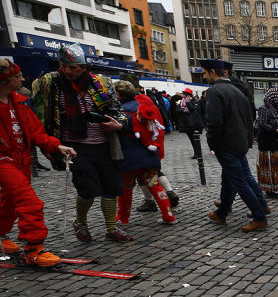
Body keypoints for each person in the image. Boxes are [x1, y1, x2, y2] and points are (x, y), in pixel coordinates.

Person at [32, 44, 131, 242]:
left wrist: (119, 126)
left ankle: (111, 228)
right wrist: (51, 146)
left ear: (84, 67)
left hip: (105, 144)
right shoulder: (51, 84)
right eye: (65, 66)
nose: (69, 70)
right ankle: (80, 222)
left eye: (74, 67)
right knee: (88, 190)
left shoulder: (101, 83)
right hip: (74, 146)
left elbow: (120, 112)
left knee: (111, 187)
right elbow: (42, 116)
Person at [0, 60, 77, 265]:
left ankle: (0, 236)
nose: (23, 79)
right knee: (29, 202)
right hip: (4, 161)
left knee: (9, 202)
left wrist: (56, 146)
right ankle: (33, 249)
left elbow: (35, 132)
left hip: (21, 160)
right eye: (18, 76)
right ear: (6, 80)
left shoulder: (19, 103)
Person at [202, 58, 269, 232]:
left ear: (212, 72)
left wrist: (213, 143)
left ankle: (259, 216)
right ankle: (222, 211)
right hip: (239, 143)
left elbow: (214, 122)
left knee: (239, 181)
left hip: (227, 144)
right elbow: (249, 119)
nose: (203, 77)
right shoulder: (237, 90)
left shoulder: (215, 92)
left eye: (204, 73)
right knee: (234, 178)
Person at [113, 83, 176, 225]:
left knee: (126, 188)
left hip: (129, 156)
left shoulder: (121, 111)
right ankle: (168, 215)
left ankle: (123, 217)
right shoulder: (143, 108)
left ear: (118, 94)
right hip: (148, 154)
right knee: (154, 185)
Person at [254, 87, 278, 197]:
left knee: (277, 166)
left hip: (277, 141)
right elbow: (263, 124)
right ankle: (269, 189)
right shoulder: (264, 108)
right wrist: (277, 130)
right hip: (267, 143)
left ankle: (276, 187)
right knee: (268, 166)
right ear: (273, 97)